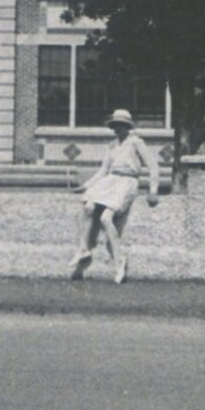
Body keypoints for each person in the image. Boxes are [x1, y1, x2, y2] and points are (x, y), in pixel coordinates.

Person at [71, 109, 161, 284]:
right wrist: (86, 186)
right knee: (88, 206)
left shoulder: (136, 142)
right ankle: (84, 250)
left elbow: (153, 166)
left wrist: (153, 191)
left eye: (121, 125)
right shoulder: (112, 145)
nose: (117, 129)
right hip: (111, 181)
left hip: (127, 182)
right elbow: (103, 170)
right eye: (115, 126)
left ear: (128, 127)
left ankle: (119, 262)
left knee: (106, 218)